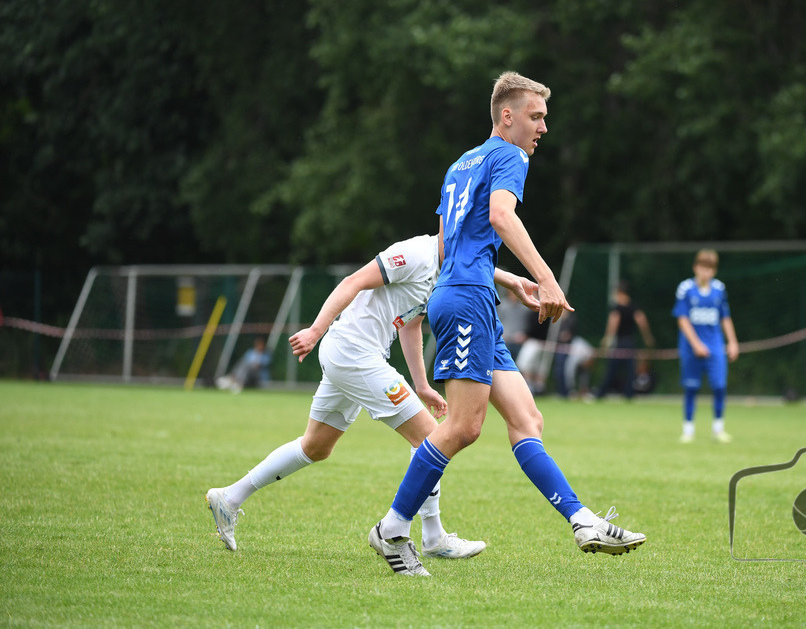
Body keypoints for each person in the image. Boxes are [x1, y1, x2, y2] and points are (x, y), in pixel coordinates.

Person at [368, 71, 646, 577]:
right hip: (467, 302)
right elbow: (501, 215)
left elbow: (449, 245)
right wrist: (548, 278)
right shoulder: (510, 156)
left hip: (471, 296)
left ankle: (583, 521)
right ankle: (391, 529)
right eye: (536, 117)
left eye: (544, 118)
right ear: (507, 115)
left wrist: (510, 279)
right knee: (463, 427)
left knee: (526, 420)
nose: (543, 128)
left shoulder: (461, 163)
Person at [205, 233, 538, 559]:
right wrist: (315, 331)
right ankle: (434, 537)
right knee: (431, 438)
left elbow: (410, 325)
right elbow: (352, 281)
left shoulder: (449, 269)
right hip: (353, 353)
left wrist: (422, 386)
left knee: (316, 446)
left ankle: (229, 498)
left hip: (353, 357)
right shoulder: (415, 254)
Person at [673, 249, 740, 442]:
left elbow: (725, 317)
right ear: (695, 268)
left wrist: (732, 342)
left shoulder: (719, 289)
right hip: (690, 348)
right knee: (691, 388)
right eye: (703, 268)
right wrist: (696, 344)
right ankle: (688, 430)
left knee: (719, 386)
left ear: (714, 270)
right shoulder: (685, 288)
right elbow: (682, 319)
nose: (706, 272)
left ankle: (718, 429)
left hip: (715, 346)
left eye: (710, 269)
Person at [594, 282, 656, 400]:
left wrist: (607, 338)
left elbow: (613, 323)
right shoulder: (634, 306)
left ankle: (601, 392)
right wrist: (647, 337)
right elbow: (642, 321)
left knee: (611, 369)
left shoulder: (617, 308)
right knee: (630, 370)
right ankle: (629, 393)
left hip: (620, 342)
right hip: (630, 342)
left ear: (619, 292)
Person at [551, 313, 595, 399]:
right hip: (565, 350)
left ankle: (574, 391)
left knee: (581, 373)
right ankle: (566, 391)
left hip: (571, 352)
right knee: (562, 370)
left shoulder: (572, 320)